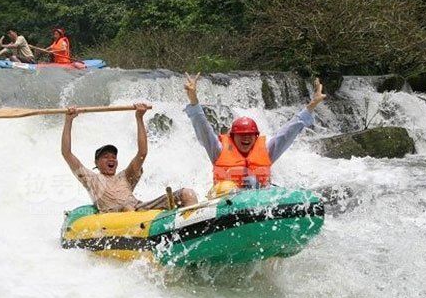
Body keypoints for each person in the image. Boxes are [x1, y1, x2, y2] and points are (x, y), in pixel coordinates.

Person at [183, 73, 326, 196]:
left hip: (258, 201)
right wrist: (194, 101)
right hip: (225, 203)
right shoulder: (218, 150)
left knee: (253, 182)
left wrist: (311, 105)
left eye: (251, 134)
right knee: (230, 186)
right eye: (241, 135)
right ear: (232, 137)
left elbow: (288, 132)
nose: (247, 137)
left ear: (255, 137)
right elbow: (204, 129)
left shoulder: (267, 151)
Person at [61, 104, 198, 213]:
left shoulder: (126, 176)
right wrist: (69, 121)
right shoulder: (91, 179)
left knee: (188, 194)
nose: (111, 159)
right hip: (116, 219)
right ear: (96, 163)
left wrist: (139, 118)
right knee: (127, 209)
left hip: (139, 209)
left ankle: (194, 227)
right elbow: (66, 153)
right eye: (106, 157)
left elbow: (142, 152)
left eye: (114, 157)